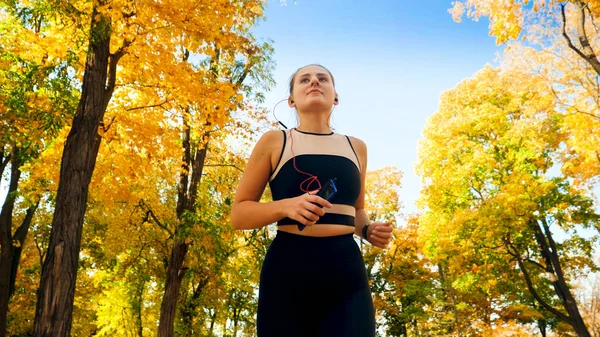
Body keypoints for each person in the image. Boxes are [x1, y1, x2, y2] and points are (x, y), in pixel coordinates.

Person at [231, 64, 393, 337]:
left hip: (346, 270)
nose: (314, 82)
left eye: (323, 79)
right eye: (304, 79)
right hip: (288, 269)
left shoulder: (357, 147)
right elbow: (239, 214)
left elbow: (358, 209)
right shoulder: (274, 141)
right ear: (291, 99)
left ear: (336, 97)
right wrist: (285, 206)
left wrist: (368, 230)